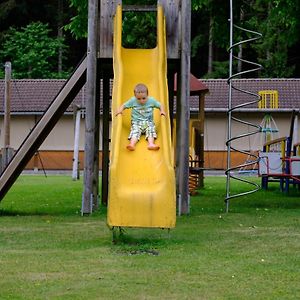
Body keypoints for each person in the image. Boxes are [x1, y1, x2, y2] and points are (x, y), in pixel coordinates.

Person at [115, 83, 166, 151]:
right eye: (138, 99)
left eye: (143, 98)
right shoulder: (133, 101)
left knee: (150, 130)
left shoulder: (151, 100)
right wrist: (120, 111)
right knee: (135, 131)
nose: (141, 100)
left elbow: (160, 105)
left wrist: (162, 111)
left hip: (148, 122)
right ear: (135, 96)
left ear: (147, 95)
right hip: (136, 122)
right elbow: (124, 105)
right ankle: (132, 144)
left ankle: (151, 144)